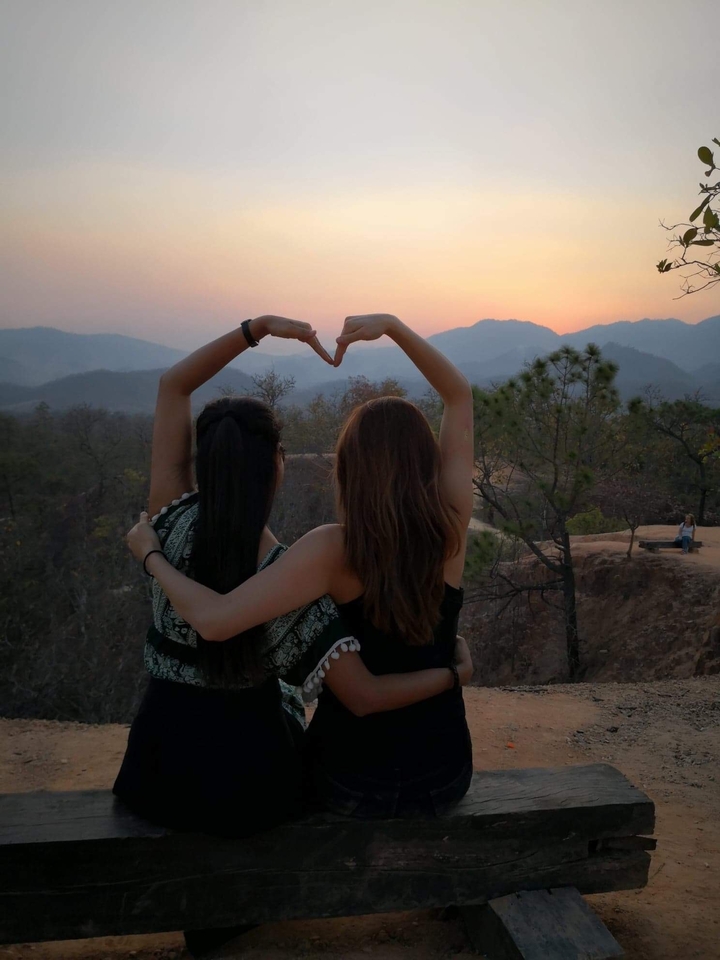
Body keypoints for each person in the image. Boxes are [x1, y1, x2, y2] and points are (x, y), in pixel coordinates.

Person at [115, 316, 473, 837]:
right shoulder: (451, 527)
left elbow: (174, 385)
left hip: (334, 781)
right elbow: (459, 395)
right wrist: (393, 327)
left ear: (349, 468)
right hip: (444, 775)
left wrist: (150, 555)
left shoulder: (326, 550)